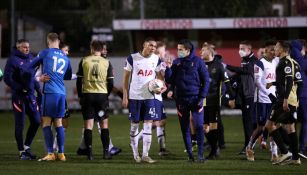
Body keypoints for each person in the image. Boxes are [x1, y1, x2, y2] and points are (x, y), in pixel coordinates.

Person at [29, 33, 72, 161]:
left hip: (50, 92)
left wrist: (37, 78)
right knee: (59, 123)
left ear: (48, 42)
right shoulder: (65, 57)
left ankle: (50, 153)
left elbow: (29, 66)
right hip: (61, 93)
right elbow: (68, 76)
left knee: (46, 122)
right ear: (58, 42)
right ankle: (61, 154)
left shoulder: (45, 53)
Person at [165, 39, 210, 163]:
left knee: (199, 126)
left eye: (180, 49)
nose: (178, 51)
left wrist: (201, 97)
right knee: (185, 128)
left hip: (196, 99)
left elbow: (206, 81)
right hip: (181, 100)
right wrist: (168, 68)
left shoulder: (198, 62)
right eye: (178, 49)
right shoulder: (176, 62)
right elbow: (170, 80)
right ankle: (190, 155)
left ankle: (201, 155)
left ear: (187, 50)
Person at [122, 37, 164, 163]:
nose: (153, 48)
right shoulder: (132, 58)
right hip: (135, 97)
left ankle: (145, 154)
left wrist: (161, 86)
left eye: (155, 46)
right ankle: (135, 153)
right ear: (144, 45)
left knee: (148, 125)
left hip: (150, 96)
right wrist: (125, 96)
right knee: (134, 126)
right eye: (151, 45)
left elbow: (160, 77)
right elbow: (125, 79)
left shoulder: (156, 59)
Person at [76, 41, 121, 157]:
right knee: (104, 124)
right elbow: (111, 82)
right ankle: (106, 152)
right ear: (101, 50)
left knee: (88, 126)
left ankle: (89, 153)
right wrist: (106, 94)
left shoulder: (84, 60)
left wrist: (81, 95)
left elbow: (78, 80)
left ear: (91, 48)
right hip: (101, 96)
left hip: (88, 95)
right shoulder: (106, 62)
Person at [3, 39, 41, 160]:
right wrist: (19, 87)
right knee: (20, 124)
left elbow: (33, 77)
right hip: (19, 97)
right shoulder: (12, 60)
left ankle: (26, 146)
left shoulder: (31, 58)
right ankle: (21, 152)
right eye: (24, 47)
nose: (27, 49)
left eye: (28, 47)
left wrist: (39, 90)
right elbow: (7, 79)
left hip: (30, 96)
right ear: (18, 48)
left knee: (36, 120)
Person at [265, 41, 302, 165]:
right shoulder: (295, 63)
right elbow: (299, 83)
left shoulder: (284, 62)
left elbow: (290, 81)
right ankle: (296, 158)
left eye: (276, 47)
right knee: (291, 128)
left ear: (282, 49)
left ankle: (285, 151)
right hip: (292, 100)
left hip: (283, 100)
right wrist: (296, 100)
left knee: (270, 125)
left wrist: (285, 99)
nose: (274, 50)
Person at [245, 40, 279, 162]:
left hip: (274, 99)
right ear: (265, 50)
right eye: (271, 49)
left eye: (275, 49)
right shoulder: (259, 63)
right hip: (262, 99)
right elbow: (257, 82)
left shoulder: (276, 61)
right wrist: (268, 94)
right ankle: (249, 148)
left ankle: (274, 153)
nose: (274, 52)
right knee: (261, 127)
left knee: (273, 125)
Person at [200, 42, 235, 159]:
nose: (200, 52)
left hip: (214, 101)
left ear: (209, 52)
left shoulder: (218, 65)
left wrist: (232, 97)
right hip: (202, 101)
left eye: (203, 51)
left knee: (213, 126)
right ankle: (215, 148)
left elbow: (227, 82)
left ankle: (214, 152)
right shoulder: (200, 65)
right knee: (203, 127)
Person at [226, 40, 258, 155]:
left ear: (249, 50)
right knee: (247, 122)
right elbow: (240, 74)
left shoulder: (254, 61)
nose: (240, 51)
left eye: (242, 49)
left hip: (251, 95)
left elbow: (246, 71)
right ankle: (247, 145)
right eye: (239, 48)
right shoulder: (245, 60)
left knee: (250, 122)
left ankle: (248, 146)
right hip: (245, 95)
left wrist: (227, 66)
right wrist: (231, 79)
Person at [290, 39, 307, 158]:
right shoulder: (301, 60)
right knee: (305, 122)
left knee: (291, 122)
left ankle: (293, 147)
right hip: (303, 95)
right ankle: (301, 147)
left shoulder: (289, 61)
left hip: (292, 95)